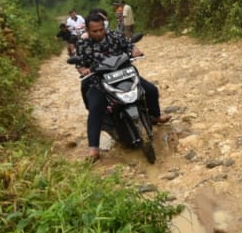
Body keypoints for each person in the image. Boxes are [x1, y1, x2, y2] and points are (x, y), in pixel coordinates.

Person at [70, 15, 171, 161]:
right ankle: (94, 149)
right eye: (95, 31)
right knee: (95, 108)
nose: (99, 33)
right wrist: (84, 70)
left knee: (151, 90)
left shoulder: (115, 36)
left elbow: (129, 46)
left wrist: (135, 51)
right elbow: (79, 64)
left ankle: (155, 116)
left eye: (101, 29)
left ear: (104, 26)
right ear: (88, 30)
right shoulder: (83, 44)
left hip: (125, 75)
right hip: (99, 81)